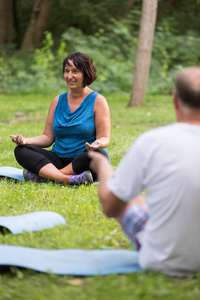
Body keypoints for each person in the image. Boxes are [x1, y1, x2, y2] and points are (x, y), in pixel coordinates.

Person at [88, 67, 200, 277]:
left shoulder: (153, 142)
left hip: (165, 262)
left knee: (130, 200)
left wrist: (104, 167)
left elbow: (111, 207)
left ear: (175, 100)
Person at [10, 52, 111, 185]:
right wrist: (25, 141)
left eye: (75, 71)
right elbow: (47, 137)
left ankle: (47, 175)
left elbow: (104, 138)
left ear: (86, 73)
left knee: (98, 154)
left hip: (83, 160)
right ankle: (66, 179)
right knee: (21, 150)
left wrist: (98, 143)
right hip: (57, 159)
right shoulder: (57, 101)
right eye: (66, 71)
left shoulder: (98, 100)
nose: (69, 76)